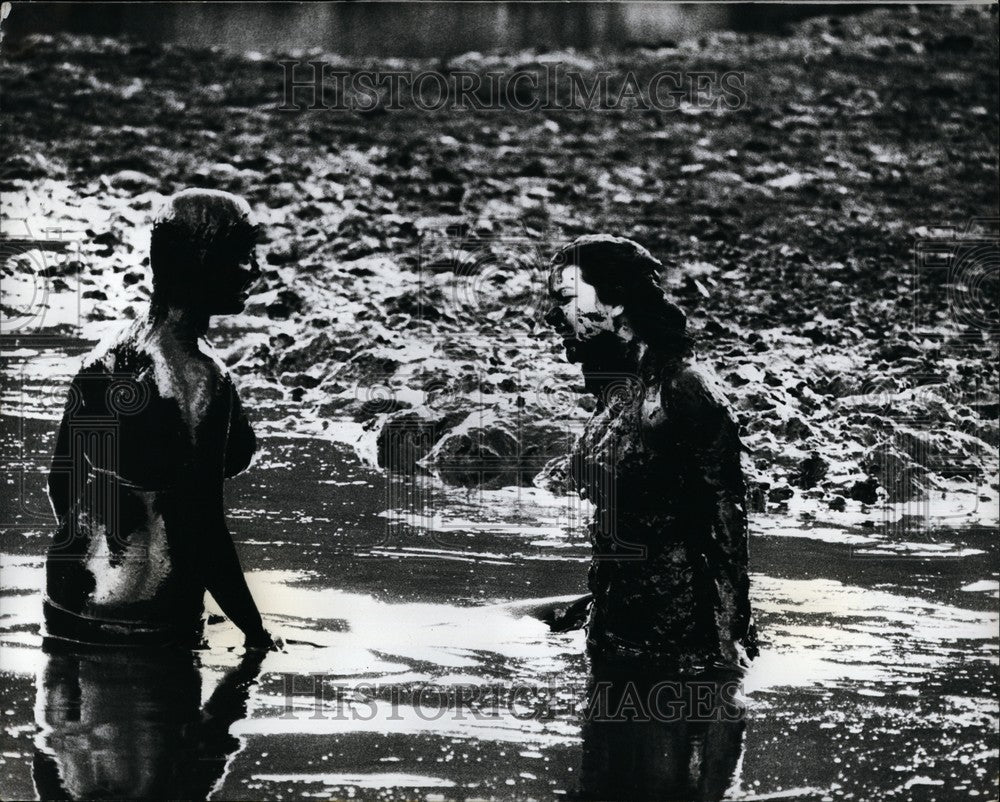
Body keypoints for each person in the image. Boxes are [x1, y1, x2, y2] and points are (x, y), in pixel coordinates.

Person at [44, 188, 276, 651]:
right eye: (242, 255)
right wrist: (256, 634)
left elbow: (60, 482)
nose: (256, 269)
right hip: (144, 612)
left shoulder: (110, 348)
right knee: (179, 720)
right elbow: (202, 528)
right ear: (204, 263)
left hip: (67, 589)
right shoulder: (198, 378)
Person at [544, 234, 757, 671]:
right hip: (614, 628)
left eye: (565, 298)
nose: (552, 316)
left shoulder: (683, 389)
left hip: (680, 643)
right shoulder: (618, 390)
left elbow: (726, 516)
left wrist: (730, 644)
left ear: (616, 301)